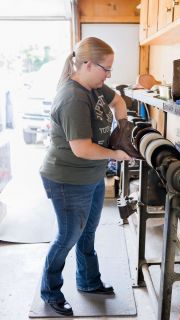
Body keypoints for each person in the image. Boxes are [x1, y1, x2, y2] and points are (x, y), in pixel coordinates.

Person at [39, 36, 132, 316]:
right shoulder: (73, 97)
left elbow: (119, 101)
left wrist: (123, 128)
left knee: (88, 232)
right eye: (106, 69)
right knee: (67, 236)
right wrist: (117, 154)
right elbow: (81, 148)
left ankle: (89, 282)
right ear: (88, 64)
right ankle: (50, 292)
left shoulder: (96, 87)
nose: (109, 75)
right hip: (67, 179)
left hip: (91, 175)